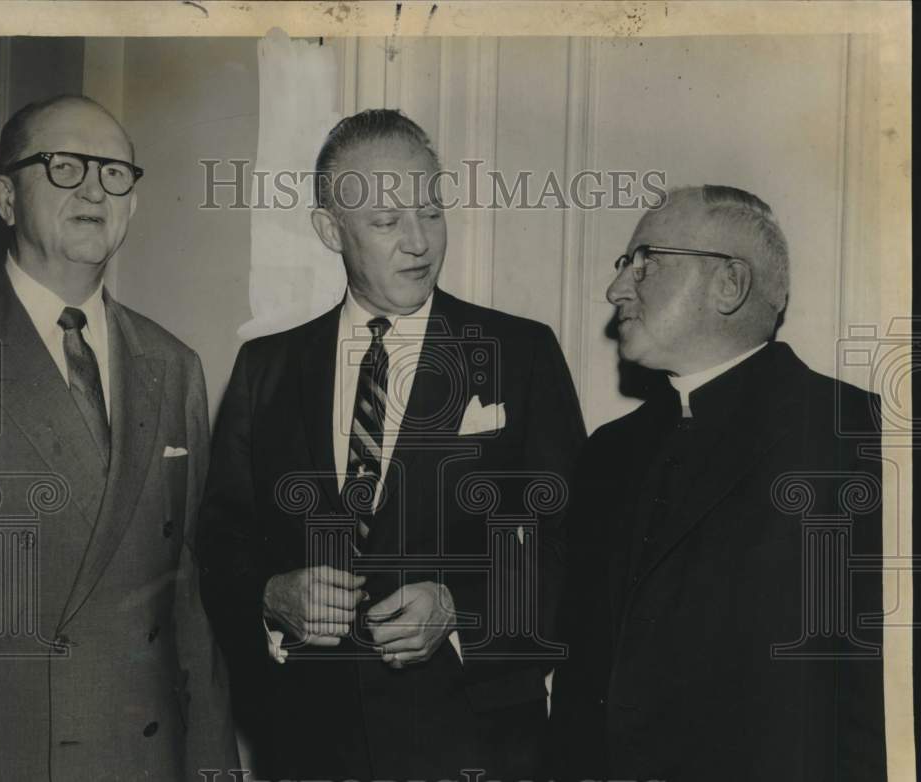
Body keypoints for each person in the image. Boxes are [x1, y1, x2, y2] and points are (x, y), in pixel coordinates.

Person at [197, 109, 586, 781]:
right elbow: (221, 542)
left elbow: (574, 544)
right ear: (330, 230)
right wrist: (271, 595)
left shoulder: (520, 355)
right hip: (314, 748)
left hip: (478, 745)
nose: (419, 242)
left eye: (431, 212)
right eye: (385, 222)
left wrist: (460, 611)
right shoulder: (266, 369)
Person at [0, 95, 237, 780]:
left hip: (149, 758)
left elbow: (189, 597)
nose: (95, 187)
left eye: (116, 172)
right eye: (65, 166)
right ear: (7, 198)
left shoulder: (173, 364)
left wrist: (214, 767)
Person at [549, 185, 886, 781]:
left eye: (646, 262)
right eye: (623, 265)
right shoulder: (607, 452)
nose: (616, 289)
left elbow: (869, 696)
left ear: (729, 284)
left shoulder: (856, 436)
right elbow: (579, 681)